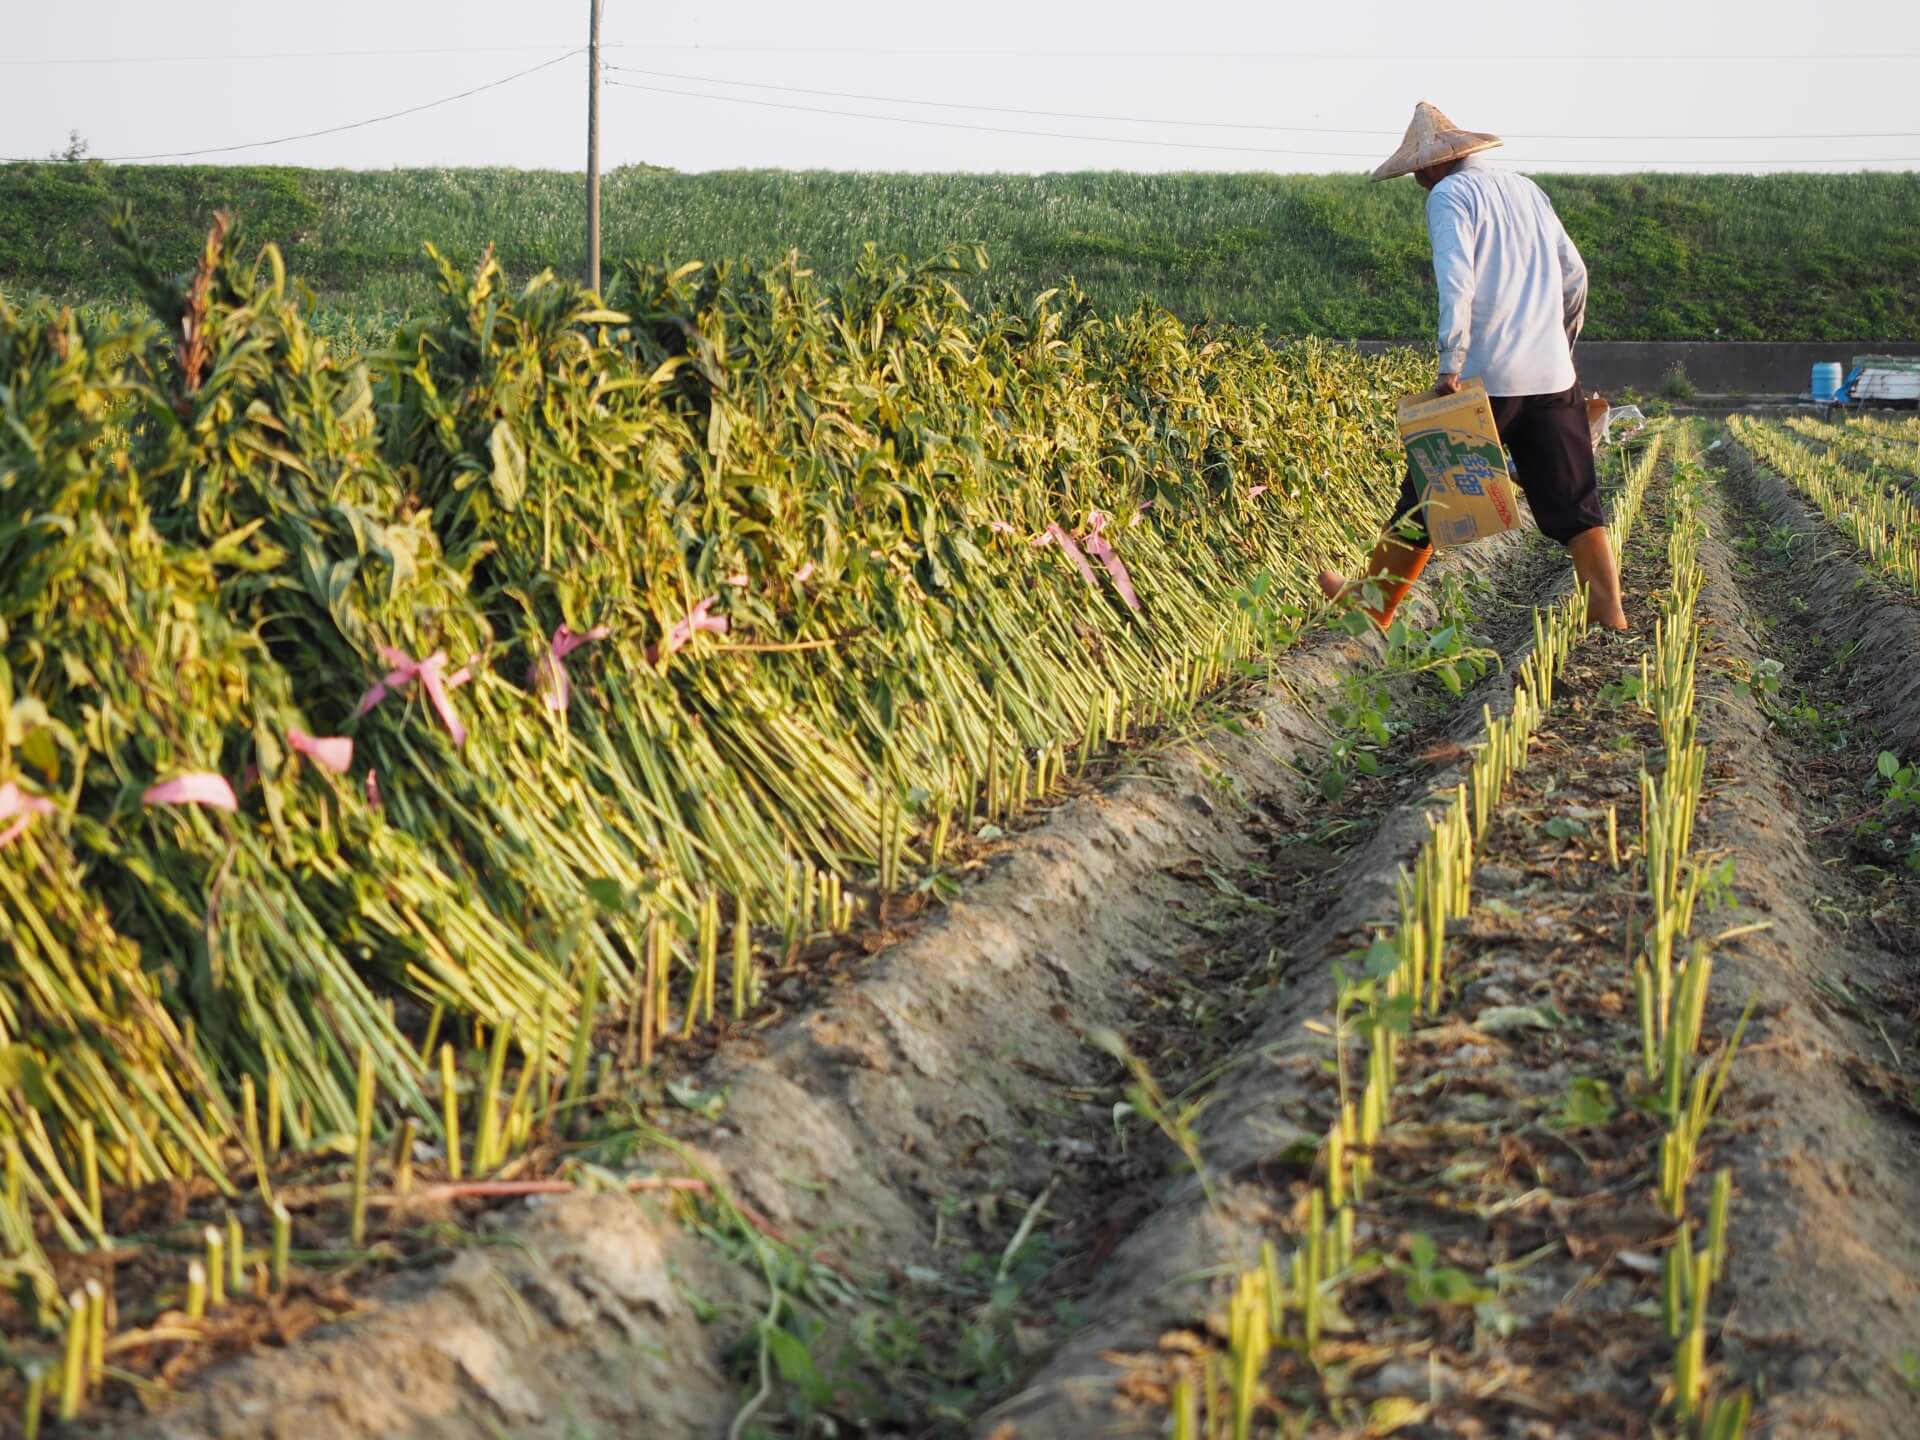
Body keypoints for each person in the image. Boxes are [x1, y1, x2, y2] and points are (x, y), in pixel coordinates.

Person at [1318, 102, 1629, 632]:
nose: (1416, 177)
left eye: (1418, 167)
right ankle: (1608, 612)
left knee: (1426, 495)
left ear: (1438, 162)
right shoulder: (1528, 190)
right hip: (1553, 376)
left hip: (1487, 375)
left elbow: (1456, 281)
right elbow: (1575, 276)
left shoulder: (1450, 196)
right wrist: (1562, 347)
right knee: (1575, 498)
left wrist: (1449, 363)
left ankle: (1370, 606)